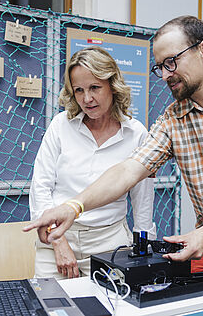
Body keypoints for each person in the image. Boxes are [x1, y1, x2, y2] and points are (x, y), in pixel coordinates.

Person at [24, 15, 203, 316]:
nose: (165, 74)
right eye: (160, 66)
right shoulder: (172, 120)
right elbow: (129, 170)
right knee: (188, 309)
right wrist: (74, 206)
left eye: (171, 61)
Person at [28, 46, 156, 279]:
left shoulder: (136, 133)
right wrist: (58, 241)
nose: (87, 99)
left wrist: (144, 249)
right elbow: (41, 186)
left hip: (110, 244)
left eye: (95, 87)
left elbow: (143, 199)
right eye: (79, 90)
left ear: (112, 85)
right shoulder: (61, 126)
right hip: (57, 239)